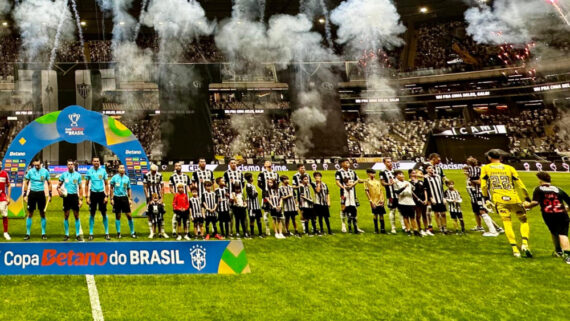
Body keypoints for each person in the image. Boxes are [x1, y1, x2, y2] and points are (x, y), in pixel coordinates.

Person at [481, 149, 532, 258]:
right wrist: (527, 198)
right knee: (523, 220)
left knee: (507, 222)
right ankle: (525, 244)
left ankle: (515, 250)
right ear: (500, 157)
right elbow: (521, 185)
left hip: (499, 199)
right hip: (514, 198)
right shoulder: (510, 168)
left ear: (490, 158)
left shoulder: (485, 168)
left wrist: (485, 198)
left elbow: (483, 186)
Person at [526, 172, 570, 263]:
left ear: (540, 180)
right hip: (562, 214)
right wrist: (567, 209)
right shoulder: (558, 189)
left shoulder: (539, 189)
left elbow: (535, 203)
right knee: (559, 232)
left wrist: (527, 205)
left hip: (548, 215)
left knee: (558, 233)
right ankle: (559, 251)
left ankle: (567, 256)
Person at [463, 160, 503, 237]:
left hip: (481, 194)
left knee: (482, 211)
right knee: (482, 212)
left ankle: (493, 231)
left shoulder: (478, 171)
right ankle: (495, 229)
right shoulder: (479, 171)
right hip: (479, 194)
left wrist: (471, 179)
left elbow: (480, 182)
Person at [23, 159, 51, 240]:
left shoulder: (45, 171)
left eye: (38, 165)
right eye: (35, 165)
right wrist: (25, 194)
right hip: (32, 194)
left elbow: (49, 182)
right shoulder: (30, 171)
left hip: (41, 194)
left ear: (41, 164)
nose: (36, 166)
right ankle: (27, 233)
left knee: (42, 213)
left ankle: (43, 233)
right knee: (30, 214)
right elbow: (26, 182)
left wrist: (50, 193)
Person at [57, 160, 83, 241]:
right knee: (66, 216)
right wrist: (59, 191)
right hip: (66, 197)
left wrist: (81, 199)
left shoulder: (78, 175)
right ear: (67, 166)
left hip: (74, 197)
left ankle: (77, 234)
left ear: (74, 165)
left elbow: (80, 188)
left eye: (72, 164)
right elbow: (58, 186)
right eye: (69, 164)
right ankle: (67, 234)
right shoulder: (64, 175)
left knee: (76, 216)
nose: (70, 165)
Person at [85, 157, 110, 241]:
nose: (96, 162)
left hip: (102, 194)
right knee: (92, 214)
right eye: (95, 161)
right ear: (92, 162)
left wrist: (106, 196)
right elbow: (86, 184)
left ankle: (107, 233)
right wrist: (87, 197)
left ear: (99, 162)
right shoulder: (89, 171)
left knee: (104, 213)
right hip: (93, 194)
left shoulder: (103, 171)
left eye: (97, 161)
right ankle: (91, 234)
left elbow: (106, 184)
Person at [335, 158, 362, 233]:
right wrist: (343, 187)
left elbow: (357, 180)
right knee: (343, 209)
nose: (348, 163)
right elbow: (337, 182)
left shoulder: (352, 171)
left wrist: (353, 184)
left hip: (353, 193)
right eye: (346, 162)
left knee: (354, 209)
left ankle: (356, 226)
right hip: (344, 194)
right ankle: (343, 225)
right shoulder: (339, 172)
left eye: (348, 162)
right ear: (342, 164)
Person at [109, 165, 137, 239]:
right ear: (118, 169)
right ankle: (118, 233)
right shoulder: (114, 178)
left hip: (124, 198)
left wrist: (130, 198)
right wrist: (111, 198)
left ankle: (133, 232)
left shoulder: (127, 178)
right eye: (121, 168)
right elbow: (111, 188)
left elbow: (129, 189)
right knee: (118, 216)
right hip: (116, 198)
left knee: (129, 216)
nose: (122, 169)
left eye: (123, 168)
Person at [380, 157, 405, 234]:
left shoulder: (395, 171)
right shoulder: (382, 172)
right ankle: (393, 228)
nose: (390, 163)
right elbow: (382, 182)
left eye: (390, 162)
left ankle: (404, 226)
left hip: (399, 194)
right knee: (392, 210)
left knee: (401, 210)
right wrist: (388, 184)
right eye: (388, 162)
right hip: (391, 194)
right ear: (384, 163)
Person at [393, 170, 420, 236]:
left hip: (411, 202)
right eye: (400, 174)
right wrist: (404, 187)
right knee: (405, 217)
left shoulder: (408, 182)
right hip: (402, 202)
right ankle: (408, 230)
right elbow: (397, 192)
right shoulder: (396, 183)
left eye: (402, 174)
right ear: (396, 176)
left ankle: (415, 230)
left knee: (413, 217)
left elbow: (413, 189)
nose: (402, 175)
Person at [169, 162, 191, 238]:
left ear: (181, 167)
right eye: (176, 166)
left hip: (185, 199)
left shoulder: (186, 176)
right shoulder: (172, 177)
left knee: (187, 218)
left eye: (179, 166)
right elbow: (171, 187)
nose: (178, 167)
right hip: (178, 199)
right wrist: (175, 194)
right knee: (176, 217)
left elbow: (190, 186)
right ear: (175, 167)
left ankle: (187, 233)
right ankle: (175, 231)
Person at [424, 164, 448, 234]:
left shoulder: (438, 177)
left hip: (441, 197)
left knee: (443, 213)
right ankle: (440, 227)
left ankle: (445, 227)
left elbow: (441, 188)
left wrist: (444, 197)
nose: (431, 169)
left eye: (432, 168)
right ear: (426, 170)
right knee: (436, 213)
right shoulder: (426, 178)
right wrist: (430, 198)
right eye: (429, 168)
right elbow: (426, 189)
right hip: (434, 198)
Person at [258, 160, 279, 235]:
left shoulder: (275, 174)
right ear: (264, 165)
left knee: (275, 212)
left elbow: (278, 184)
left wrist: (275, 192)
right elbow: (259, 184)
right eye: (267, 163)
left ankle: (277, 229)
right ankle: (267, 228)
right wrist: (265, 190)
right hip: (266, 195)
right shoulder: (262, 174)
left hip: (275, 196)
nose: (268, 164)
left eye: (270, 163)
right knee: (266, 212)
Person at [144, 164, 164, 239]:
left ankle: (161, 232)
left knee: (161, 214)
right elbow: (145, 187)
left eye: (155, 171)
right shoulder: (146, 175)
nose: (154, 172)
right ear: (150, 170)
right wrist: (148, 198)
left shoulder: (159, 175)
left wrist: (162, 198)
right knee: (150, 214)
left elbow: (162, 187)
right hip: (150, 197)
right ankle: (152, 232)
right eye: (153, 171)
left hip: (158, 197)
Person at [224, 159, 244, 235]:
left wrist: (240, 194)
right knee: (231, 214)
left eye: (234, 163)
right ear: (229, 164)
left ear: (236, 164)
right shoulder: (226, 173)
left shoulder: (240, 172)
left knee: (240, 214)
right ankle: (230, 231)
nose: (233, 164)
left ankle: (241, 231)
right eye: (232, 163)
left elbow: (243, 184)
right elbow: (225, 184)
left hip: (239, 197)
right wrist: (229, 194)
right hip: (230, 197)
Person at [410, 169, 432, 236]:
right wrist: (418, 199)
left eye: (415, 173)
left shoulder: (421, 182)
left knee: (424, 215)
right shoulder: (410, 183)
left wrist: (426, 199)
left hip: (423, 200)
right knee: (418, 215)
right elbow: (412, 192)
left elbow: (425, 191)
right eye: (413, 173)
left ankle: (426, 228)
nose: (414, 174)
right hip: (416, 201)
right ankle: (420, 229)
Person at [292, 164, 312, 233]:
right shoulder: (295, 176)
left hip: (308, 196)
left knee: (309, 212)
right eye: (301, 168)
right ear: (298, 169)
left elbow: (311, 184)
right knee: (302, 212)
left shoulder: (308, 175)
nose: (303, 169)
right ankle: (304, 227)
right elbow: (293, 186)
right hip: (300, 196)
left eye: (304, 168)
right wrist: (300, 187)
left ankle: (310, 227)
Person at [365, 169, 386, 234]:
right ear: (368, 174)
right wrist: (370, 201)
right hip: (373, 201)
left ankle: (382, 229)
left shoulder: (377, 181)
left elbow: (381, 191)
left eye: (374, 173)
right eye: (372, 173)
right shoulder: (367, 182)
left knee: (381, 214)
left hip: (380, 200)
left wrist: (383, 200)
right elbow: (366, 191)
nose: (373, 175)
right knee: (375, 214)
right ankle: (376, 229)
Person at [244, 173, 264, 238]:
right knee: (252, 220)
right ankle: (252, 233)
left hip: (256, 205)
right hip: (252, 206)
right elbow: (251, 196)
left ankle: (260, 233)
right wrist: (256, 194)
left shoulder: (252, 185)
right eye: (252, 177)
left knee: (258, 219)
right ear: (250, 178)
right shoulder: (248, 186)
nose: (253, 178)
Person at [0, 163, 11, 240]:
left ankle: (5, 232)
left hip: (2, 197)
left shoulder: (4, 173)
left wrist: (8, 197)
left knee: (4, 214)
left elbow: (9, 185)